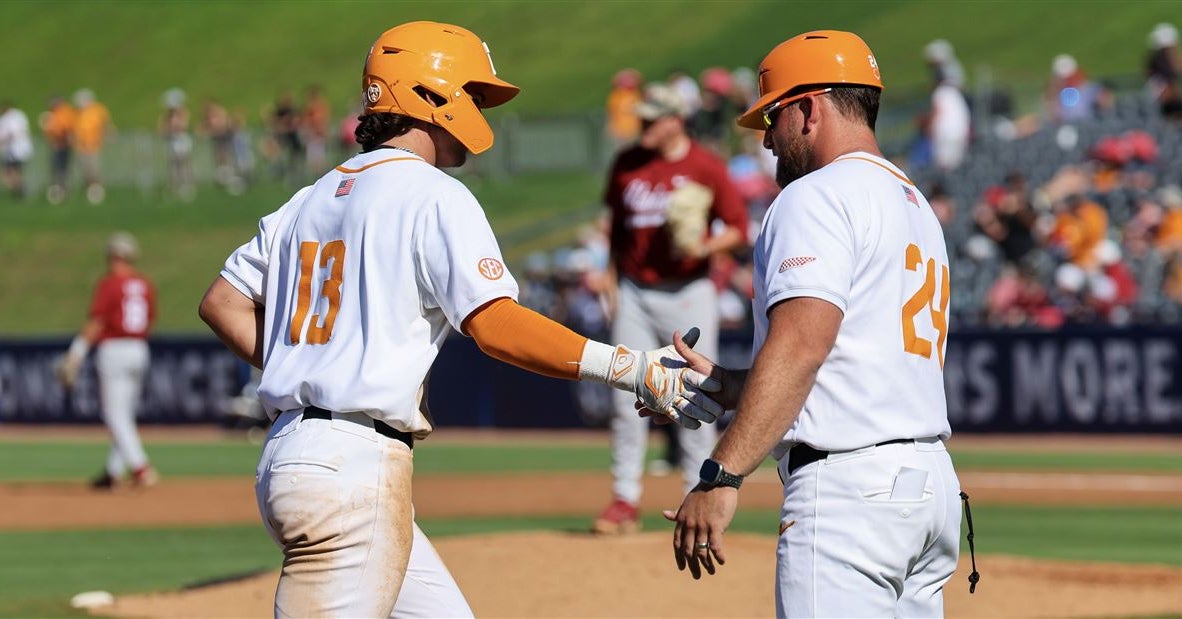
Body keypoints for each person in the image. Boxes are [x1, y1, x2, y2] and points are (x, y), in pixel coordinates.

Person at [196, 21, 721, 618]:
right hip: (351, 469)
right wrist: (631, 368)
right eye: (471, 93)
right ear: (429, 94)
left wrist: (314, 362)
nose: (478, 109)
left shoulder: (310, 196)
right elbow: (495, 325)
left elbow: (222, 301)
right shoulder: (431, 193)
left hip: (297, 451)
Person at [663, 31, 973, 618]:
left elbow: (803, 345)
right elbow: (854, 355)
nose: (768, 140)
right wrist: (737, 386)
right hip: (929, 485)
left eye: (772, 117)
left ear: (809, 108)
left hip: (849, 493)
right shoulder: (913, 201)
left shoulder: (816, 196)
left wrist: (719, 477)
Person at [592, 82, 747, 534]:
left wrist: (703, 246)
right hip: (636, 292)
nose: (643, 125)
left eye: (652, 118)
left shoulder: (705, 165)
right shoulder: (627, 164)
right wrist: (610, 276)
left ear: (676, 120)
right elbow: (617, 230)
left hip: (690, 293)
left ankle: (694, 495)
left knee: (695, 394)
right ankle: (624, 500)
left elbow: (737, 227)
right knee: (626, 392)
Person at [56, 232, 159, 489]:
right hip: (139, 348)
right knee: (125, 415)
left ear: (113, 255)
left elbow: (97, 321)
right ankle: (114, 471)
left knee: (114, 414)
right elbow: (150, 319)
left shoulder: (110, 283)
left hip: (114, 349)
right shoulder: (145, 284)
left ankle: (141, 468)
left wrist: (76, 352)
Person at [72, 89, 113, 205]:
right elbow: (75, 129)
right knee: (85, 170)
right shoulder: (77, 113)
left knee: (94, 169)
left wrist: (108, 135)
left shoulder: (98, 110)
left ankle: (97, 192)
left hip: (94, 145)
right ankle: (88, 191)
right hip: (81, 147)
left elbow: (105, 124)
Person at [40, 95, 75, 204]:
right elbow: (48, 130)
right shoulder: (51, 114)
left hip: (62, 146)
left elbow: (66, 129)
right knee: (55, 169)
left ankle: (62, 190)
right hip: (56, 146)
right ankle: (56, 191)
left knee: (62, 169)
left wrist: (62, 140)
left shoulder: (65, 112)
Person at [0, 101, 33, 200]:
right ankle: (18, 190)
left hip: (16, 150)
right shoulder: (15, 116)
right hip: (15, 150)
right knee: (11, 172)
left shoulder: (13, 117)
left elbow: (12, 133)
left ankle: (20, 190)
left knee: (12, 171)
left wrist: (2, 142)